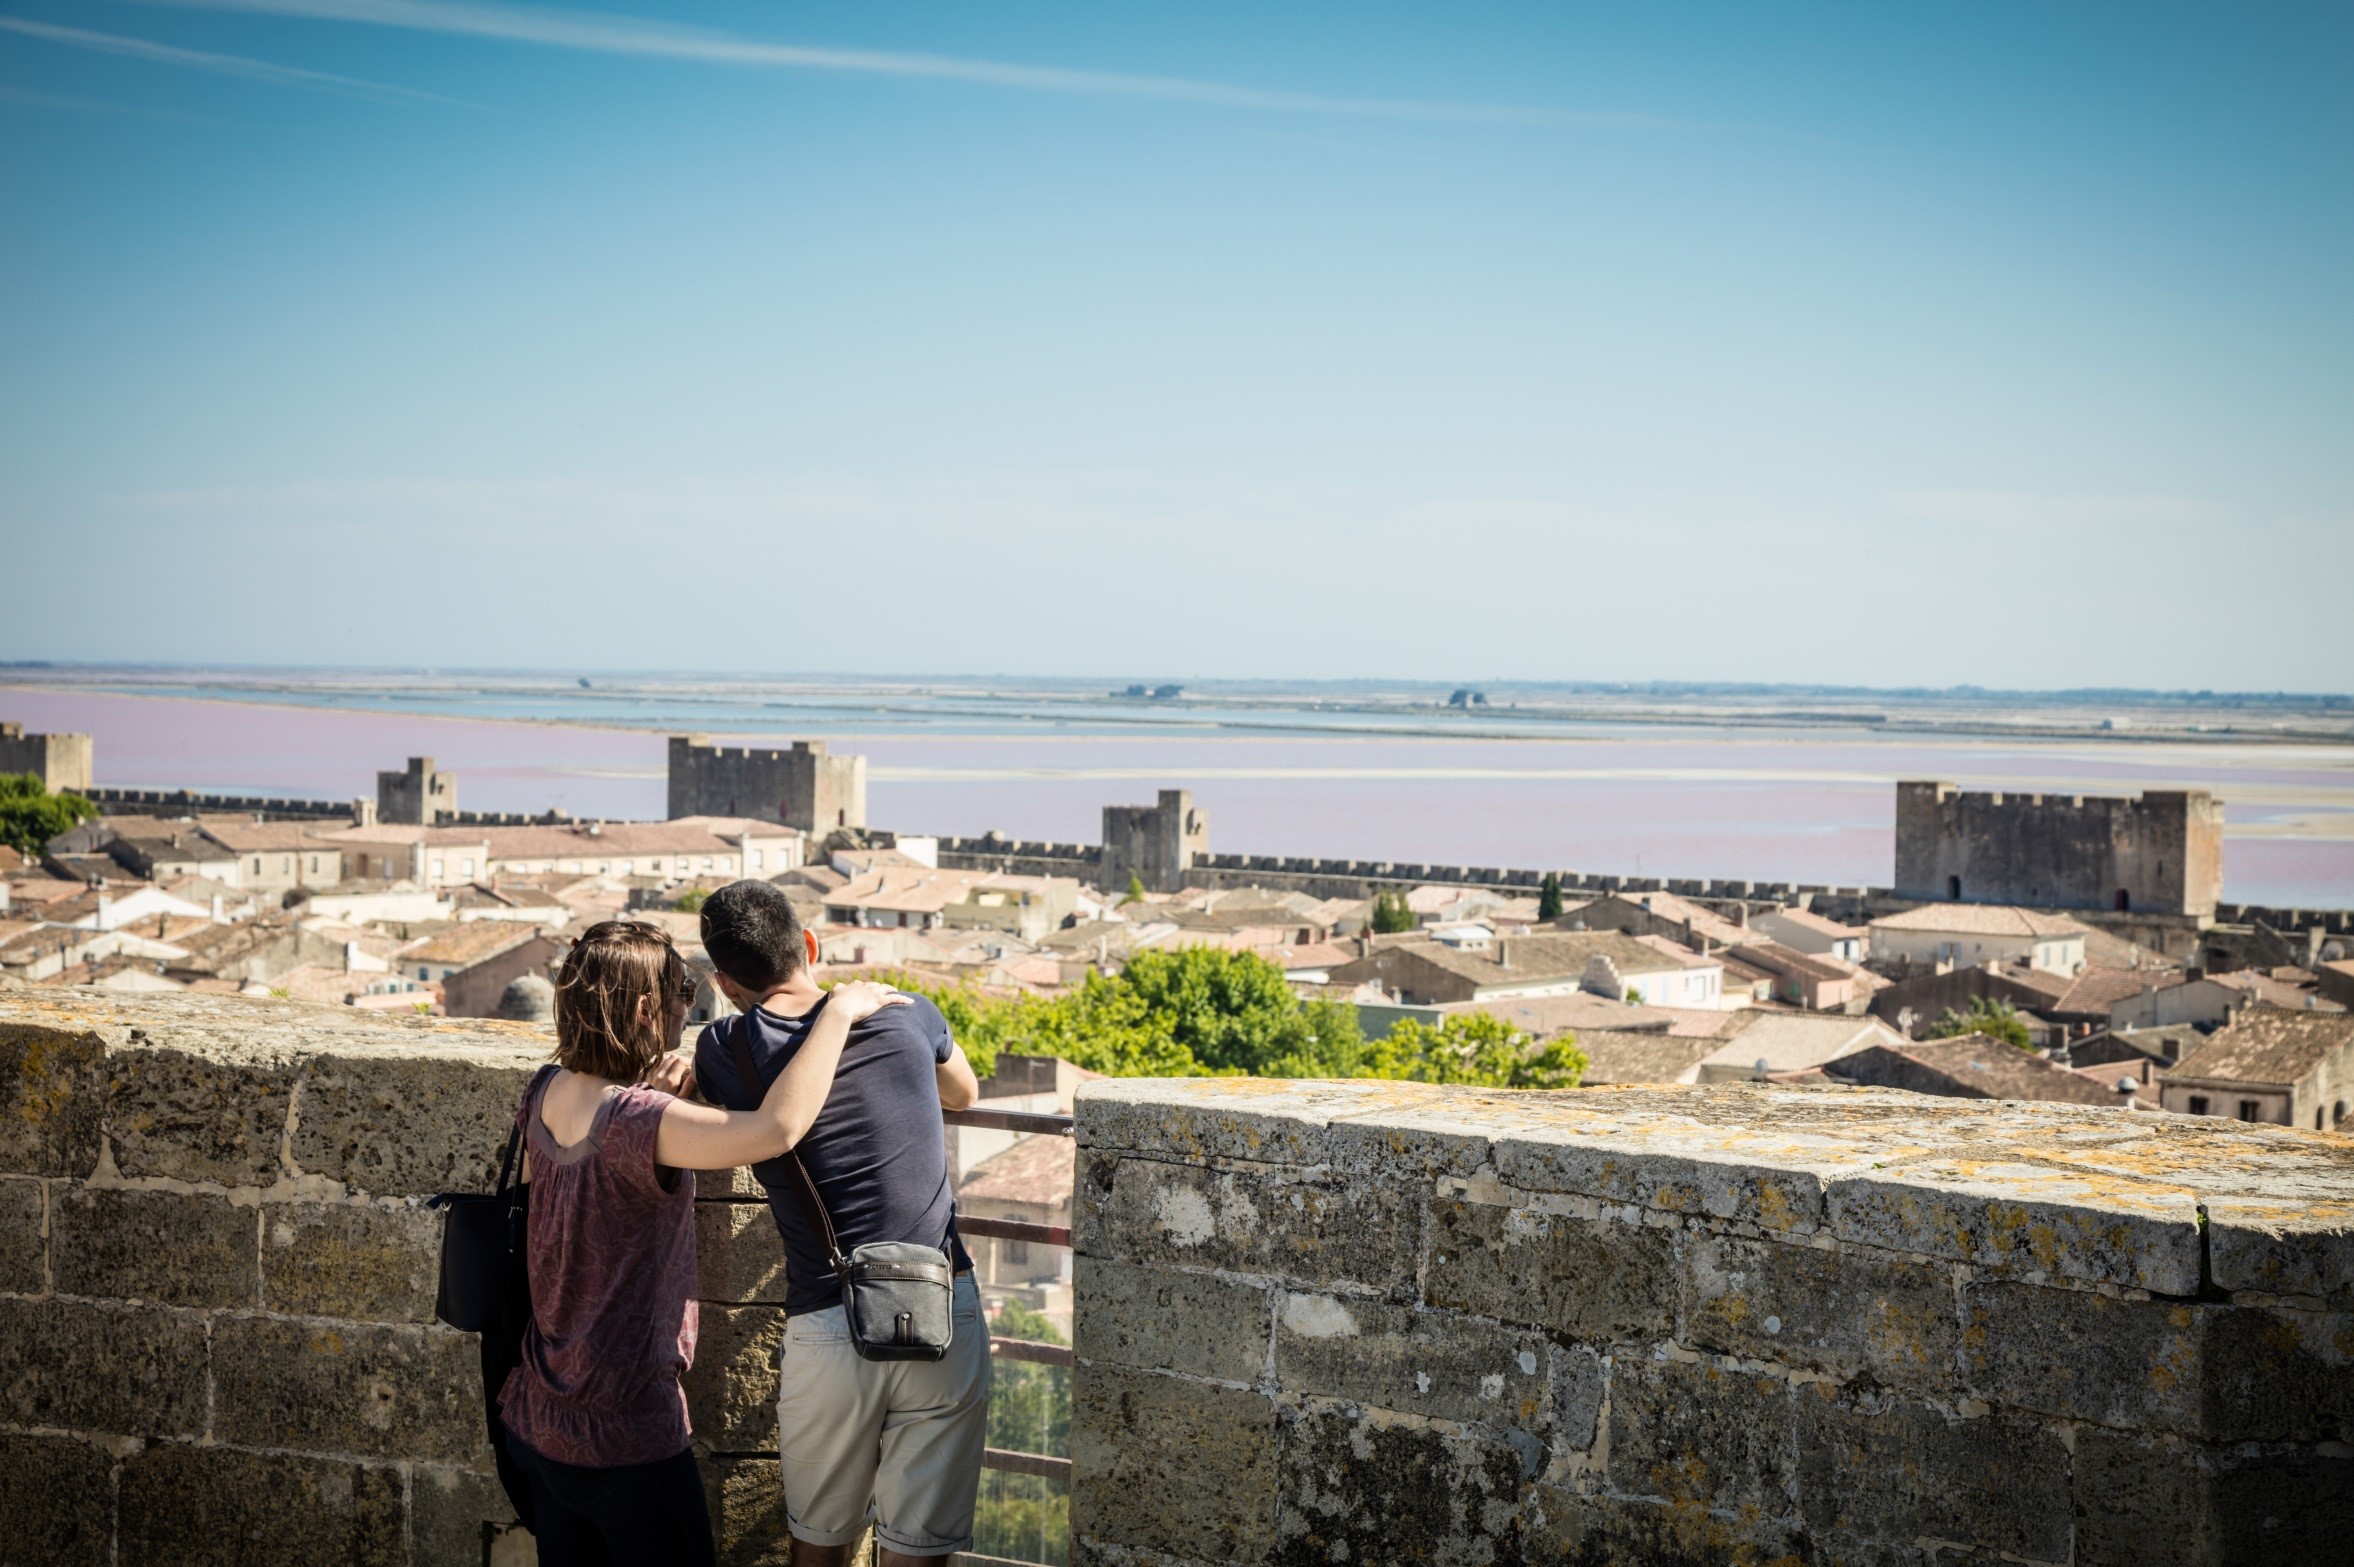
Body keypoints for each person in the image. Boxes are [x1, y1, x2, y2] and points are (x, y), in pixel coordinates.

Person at [499, 917, 907, 1567]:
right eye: (681, 991)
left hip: (539, 1417)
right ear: (643, 1009)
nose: (687, 1007)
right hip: (627, 1433)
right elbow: (777, 1128)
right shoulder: (642, 1119)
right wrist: (840, 1010)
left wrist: (644, 1103)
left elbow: (577, 1192)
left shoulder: (543, 1091)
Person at [692, 880, 988, 1566]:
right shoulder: (908, 1013)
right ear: (810, 945)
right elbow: (964, 1092)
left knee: (819, 1549)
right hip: (942, 1301)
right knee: (920, 1554)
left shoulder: (724, 1052)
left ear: (726, 982)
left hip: (830, 1318)